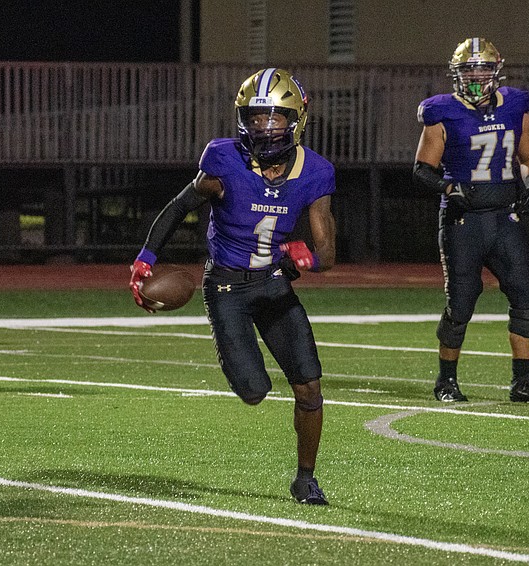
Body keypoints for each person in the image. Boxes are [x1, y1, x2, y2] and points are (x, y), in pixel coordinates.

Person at [129, 68, 337, 504]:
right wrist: (146, 257)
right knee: (254, 392)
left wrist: (306, 258)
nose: (264, 127)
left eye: (274, 118)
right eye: (255, 117)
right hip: (226, 286)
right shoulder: (224, 160)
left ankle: (305, 478)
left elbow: (326, 254)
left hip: (275, 284)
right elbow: (180, 205)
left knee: (310, 387)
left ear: (296, 119)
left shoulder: (316, 172)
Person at [412, 38, 529, 404]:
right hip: (465, 220)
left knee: (526, 297)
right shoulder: (442, 112)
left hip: (505, 216)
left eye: (483, 69)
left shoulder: (515, 105)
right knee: (461, 302)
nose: (476, 76)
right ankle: (446, 381)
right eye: (468, 70)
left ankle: (522, 382)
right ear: (456, 74)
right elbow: (422, 170)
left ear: (496, 71)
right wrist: (449, 188)